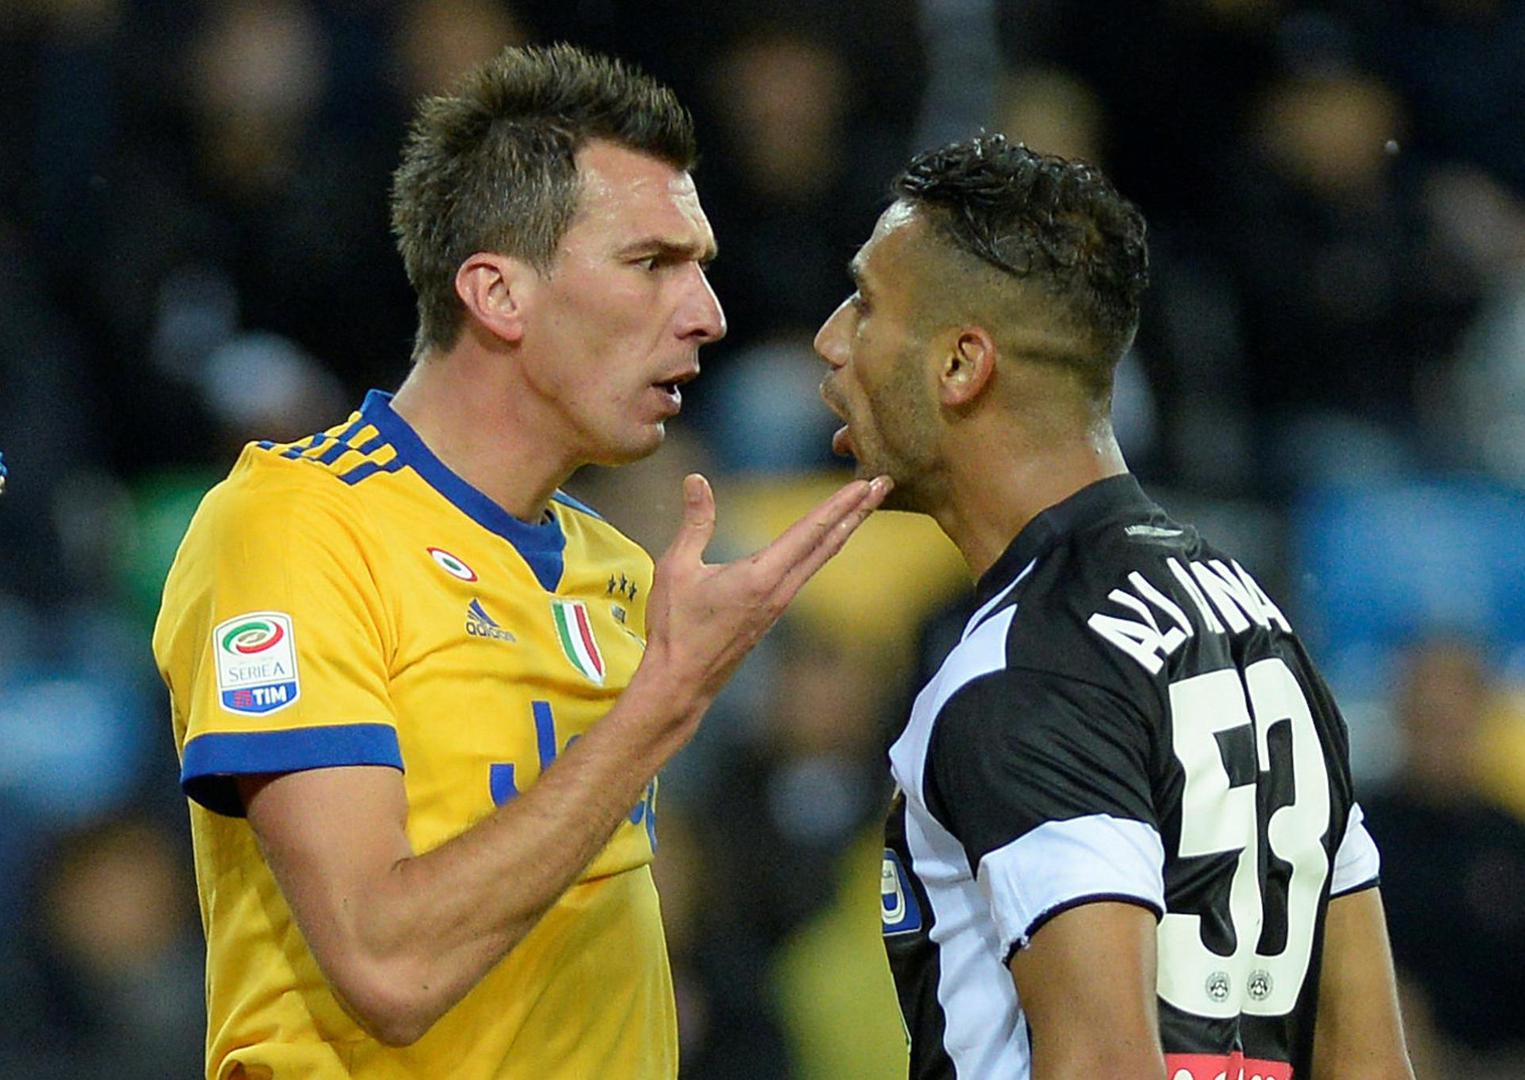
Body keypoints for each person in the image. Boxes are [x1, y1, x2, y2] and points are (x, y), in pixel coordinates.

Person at [152, 44, 889, 1080]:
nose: (707, 314)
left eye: (701, 265)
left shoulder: (618, 569)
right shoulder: (293, 527)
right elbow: (387, 965)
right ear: (498, 294)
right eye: (651, 264)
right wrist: (665, 700)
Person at [815, 133, 1415, 1079]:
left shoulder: (1024, 672)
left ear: (961, 365)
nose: (830, 340)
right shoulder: (1252, 623)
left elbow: (1101, 1063)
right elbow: (1371, 1064)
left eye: (865, 303)